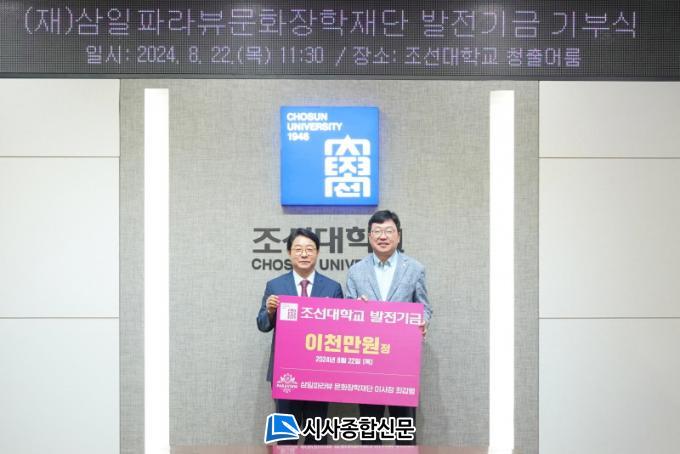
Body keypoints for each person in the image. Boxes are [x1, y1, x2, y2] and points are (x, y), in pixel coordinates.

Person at [346, 210, 432, 445]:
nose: (383, 236)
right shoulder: (355, 271)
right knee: (369, 431)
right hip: (368, 362)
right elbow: (346, 313)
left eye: (388, 231)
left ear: (398, 235)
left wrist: (423, 321)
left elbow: (424, 307)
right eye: (377, 231)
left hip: (401, 363)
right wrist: (355, 309)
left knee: (404, 431)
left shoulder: (414, 268)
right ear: (369, 236)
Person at [257, 228, 344, 445]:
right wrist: (270, 311)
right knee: (285, 436)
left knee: (317, 436)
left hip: (320, 373)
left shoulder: (332, 288)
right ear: (289, 253)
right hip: (285, 374)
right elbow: (262, 324)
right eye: (298, 249)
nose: (304, 254)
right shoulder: (275, 285)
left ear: (317, 253)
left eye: (309, 249)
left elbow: (342, 330)